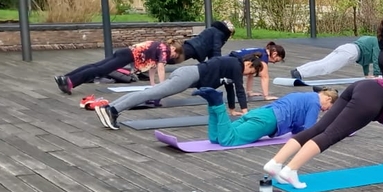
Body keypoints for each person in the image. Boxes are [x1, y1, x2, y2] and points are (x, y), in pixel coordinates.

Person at [93, 54, 262, 130]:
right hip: (188, 76)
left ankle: (110, 107)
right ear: (248, 65)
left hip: (187, 74)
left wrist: (232, 109)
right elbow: (239, 88)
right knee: (152, 94)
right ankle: (113, 110)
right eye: (250, 72)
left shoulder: (232, 65)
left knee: (151, 92)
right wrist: (246, 112)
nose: (248, 75)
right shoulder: (235, 65)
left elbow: (230, 87)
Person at [192, 87, 336, 147]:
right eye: (327, 108)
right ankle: (217, 103)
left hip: (260, 113)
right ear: (328, 99)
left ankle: (212, 104)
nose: (324, 111)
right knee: (228, 140)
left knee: (216, 138)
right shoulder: (315, 103)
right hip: (267, 122)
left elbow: (298, 129)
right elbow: (309, 131)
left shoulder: (304, 96)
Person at [55, 39, 183, 94]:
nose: (172, 57)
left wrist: (153, 86)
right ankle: (70, 81)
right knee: (99, 70)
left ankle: (65, 78)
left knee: (96, 66)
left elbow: (152, 69)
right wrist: (164, 86)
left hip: (124, 52)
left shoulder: (160, 47)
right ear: (174, 49)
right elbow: (161, 68)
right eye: (175, 55)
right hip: (127, 56)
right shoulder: (165, 50)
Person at [289, 36, 379, 82]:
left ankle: (297, 70)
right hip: (351, 53)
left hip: (346, 47)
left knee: (323, 62)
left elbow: (365, 60)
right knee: (327, 68)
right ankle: (300, 74)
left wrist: (366, 75)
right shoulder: (377, 42)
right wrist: (376, 74)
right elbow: (376, 59)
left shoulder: (370, 39)